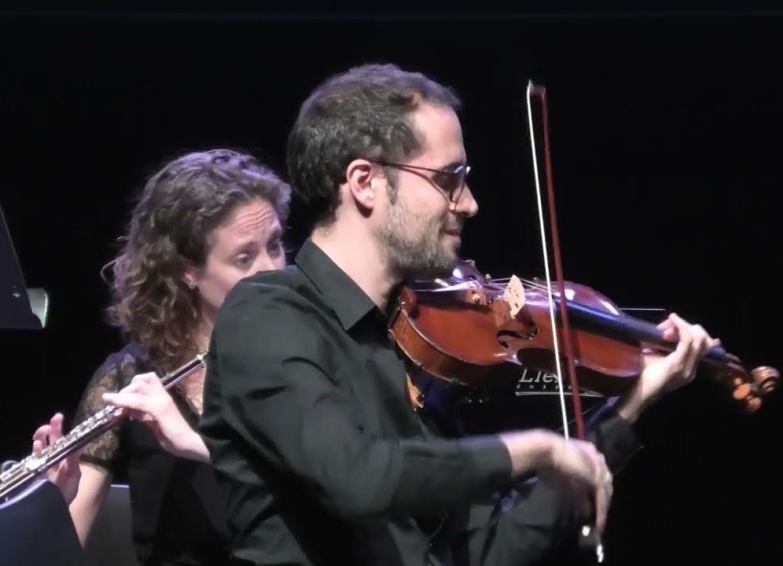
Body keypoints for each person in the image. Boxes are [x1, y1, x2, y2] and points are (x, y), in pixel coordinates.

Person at [198, 63, 720, 566]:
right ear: (364, 182)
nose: (469, 203)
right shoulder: (265, 314)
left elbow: (491, 550)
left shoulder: (423, 346)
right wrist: (534, 449)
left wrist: (626, 411)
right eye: (450, 179)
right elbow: (357, 478)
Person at [30, 148, 291, 565]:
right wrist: (49, 507)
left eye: (275, 245)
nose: (273, 271)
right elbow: (59, 553)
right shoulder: (127, 379)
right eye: (244, 258)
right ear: (188, 271)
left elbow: (327, 504)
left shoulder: (309, 362)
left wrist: (196, 445)